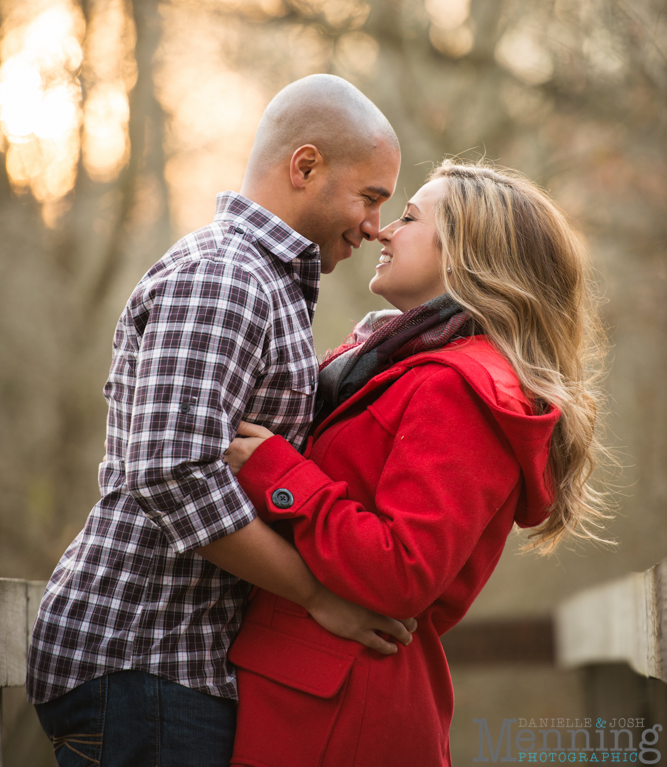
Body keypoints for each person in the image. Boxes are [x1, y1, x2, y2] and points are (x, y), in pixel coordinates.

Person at [26, 74, 412, 767]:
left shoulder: (268, 285)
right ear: (305, 166)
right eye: (369, 197)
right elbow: (172, 472)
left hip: (180, 662)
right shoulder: (224, 276)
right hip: (143, 655)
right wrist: (316, 595)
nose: (374, 226)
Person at [224, 159, 610, 767]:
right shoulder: (400, 366)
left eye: (408, 217)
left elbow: (404, 570)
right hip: (313, 690)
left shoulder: (458, 389)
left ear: (468, 253)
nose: (381, 230)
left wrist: (279, 472)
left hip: (340, 709)